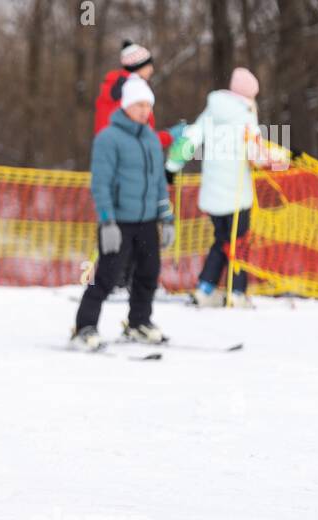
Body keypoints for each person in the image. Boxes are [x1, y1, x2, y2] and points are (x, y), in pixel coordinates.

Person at [73, 77, 175, 351]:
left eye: (148, 105)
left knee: (148, 274)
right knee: (107, 276)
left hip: (147, 221)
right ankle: (85, 327)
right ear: (127, 105)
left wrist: (166, 217)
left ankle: (139, 322)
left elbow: (158, 183)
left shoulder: (152, 140)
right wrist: (107, 221)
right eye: (139, 104)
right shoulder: (108, 138)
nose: (145, 110)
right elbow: (101, 183)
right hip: (118, 222)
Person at [166, 67, 277, 308]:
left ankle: (205, 288)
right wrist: (280, 160)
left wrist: (172, 166)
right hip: (238, 196)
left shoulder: (211, 110)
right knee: (239, 243)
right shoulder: (246, 115)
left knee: (221, 241)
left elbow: (190, 139)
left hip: (213, 196)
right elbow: (257, 155)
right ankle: (236, 292)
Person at [94, 40, 179, 152]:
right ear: (138, 66)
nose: (152, 70)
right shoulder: (132, 91)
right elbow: (139, 138)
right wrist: (169, 136)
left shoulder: (116, 87)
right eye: (149, 65)